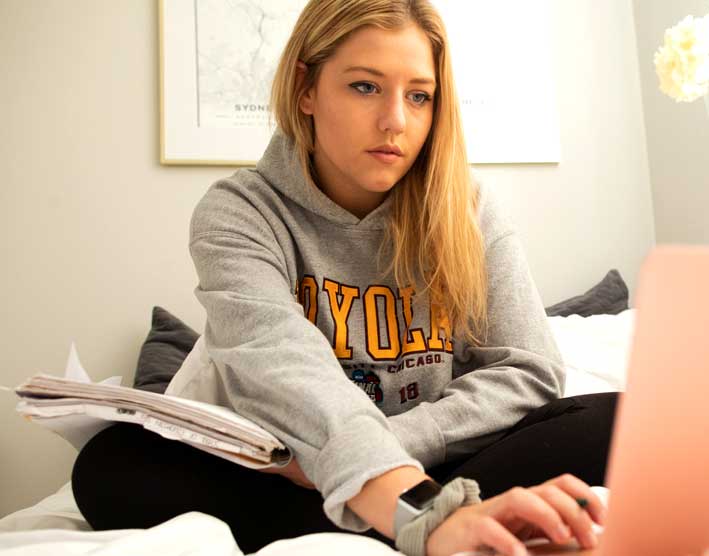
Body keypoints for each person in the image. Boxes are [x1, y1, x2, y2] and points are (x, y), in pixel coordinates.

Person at [71, 1, 618, 555]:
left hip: (423, 462)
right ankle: (423, 518)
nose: (396, 121)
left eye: (419, 96)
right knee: (111, 466)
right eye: (365, 87)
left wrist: (393, 453)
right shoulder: (240, 212)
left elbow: (528, 369)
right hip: (297, 465)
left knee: (615, 419)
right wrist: (425, 517)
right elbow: (290, 374)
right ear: (306, 88)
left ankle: (396, 511)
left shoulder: (468, 207)